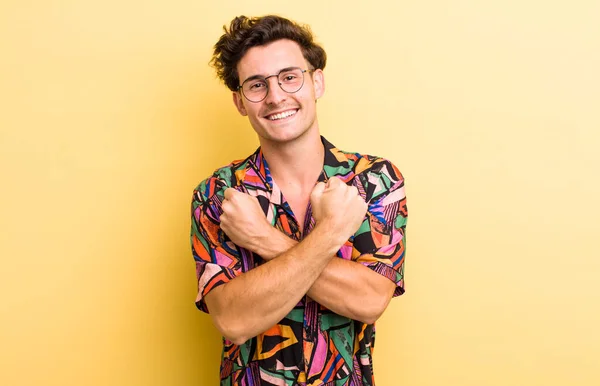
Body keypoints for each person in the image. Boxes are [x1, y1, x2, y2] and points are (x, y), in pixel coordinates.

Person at [190, 15, 408, 386]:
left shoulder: (375, 180)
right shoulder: (219, 195)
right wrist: (332, 233)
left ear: (316, 81)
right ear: (240, 101)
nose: (276, 97)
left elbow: (370, 300)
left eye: (289, 77)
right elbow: (234, 321)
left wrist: (264, 239)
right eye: (256, 85)